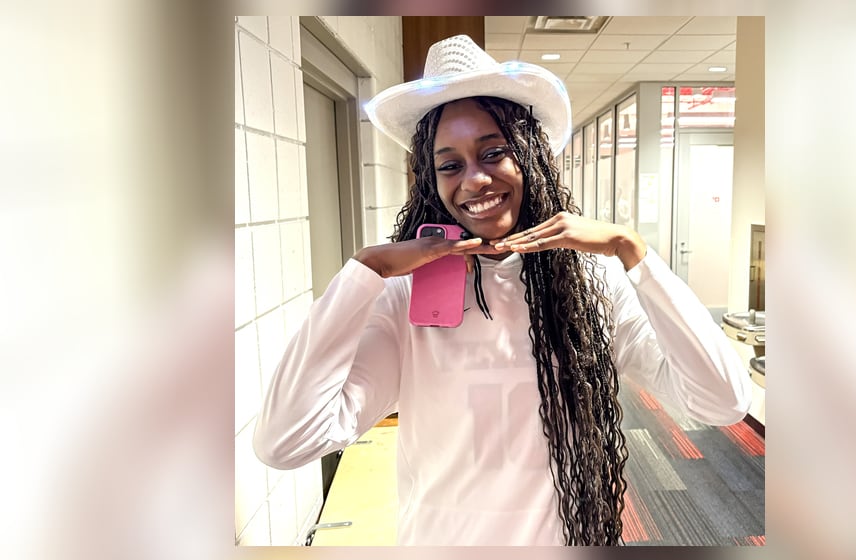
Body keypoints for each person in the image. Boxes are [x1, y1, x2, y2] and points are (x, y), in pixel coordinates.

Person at [253, 34, 752, 546]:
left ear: (530, 157)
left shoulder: (588, 283)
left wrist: (634, 253)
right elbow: (286, 441)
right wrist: (364, 271)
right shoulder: (405, 296)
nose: (473, 180)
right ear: (431, 179)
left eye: (493, 153)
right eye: (450, 164)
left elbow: (723, 402)